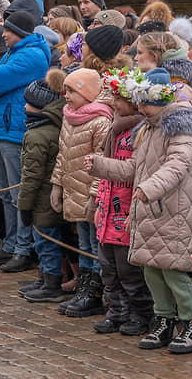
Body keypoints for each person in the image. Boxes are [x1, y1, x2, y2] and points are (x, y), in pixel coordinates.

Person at [87, 68, 192, 354]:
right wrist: (100, 164)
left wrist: (150, 188)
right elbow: (133, 169)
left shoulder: (179, 126)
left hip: (172, 211)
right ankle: (164, 318)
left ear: (161, 99)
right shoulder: (148, 128)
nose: (139, 107)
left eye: (144, 101)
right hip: (149, 210)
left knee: (174, 271)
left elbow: (178, 164)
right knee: (152, 270)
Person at [0, 10, 51, 270]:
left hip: (14, 130)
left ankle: (24, 248)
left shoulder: (30, 55)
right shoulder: (13, 52)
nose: (4, 35)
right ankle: (11, 245)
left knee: (17, 193)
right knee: (5, 193)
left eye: (7, 30)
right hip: (1, 129)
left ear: (19, 31)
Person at [90, 68, 153, 336]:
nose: (114, 103)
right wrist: (97, 201)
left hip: (126, 206)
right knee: (108, 268)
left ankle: (139, 313)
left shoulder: (139, 132)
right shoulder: (114, 130)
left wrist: (101, 166)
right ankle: (115, 311)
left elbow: (133, 170)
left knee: (129, 272)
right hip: (108, 206)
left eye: (119, 98)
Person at [51, 68, 112, 318]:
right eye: (65, 90)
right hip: (73, 189)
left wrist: (95, 196)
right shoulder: (69, 117)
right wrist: (57, 185)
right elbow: (62, 154)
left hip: (89, 193)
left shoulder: (100, 121)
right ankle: (84, 283)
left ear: (87, 93)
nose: (66, 96)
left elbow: (102, 162)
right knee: (83, 241)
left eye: (73, 91)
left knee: (95, 244)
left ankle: (95, 290)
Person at [16, 71, 67, 302]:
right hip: (47, 198)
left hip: (43, 200)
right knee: (43, 242)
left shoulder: (38, 135)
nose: (25, 106)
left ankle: (51, 283)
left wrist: (23, 206)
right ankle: (44, 278)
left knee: (46, 243)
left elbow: (31, 176)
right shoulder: (51, 129)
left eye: (29, 102)